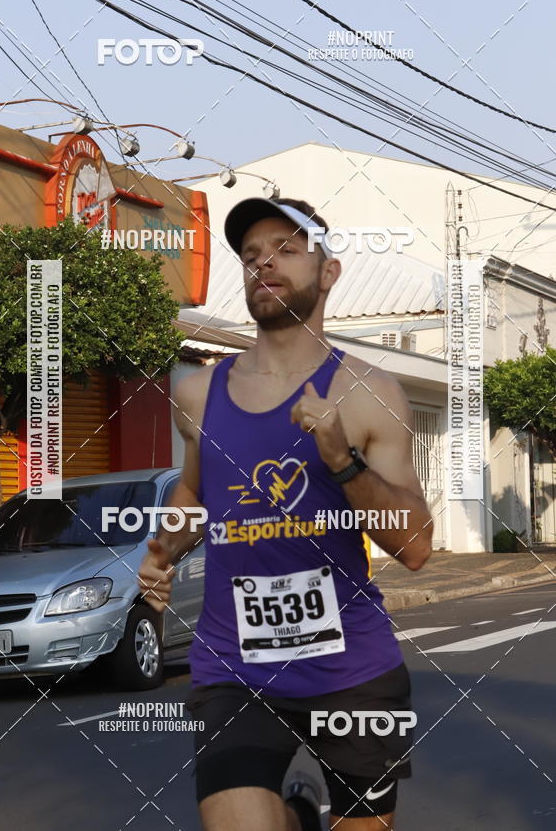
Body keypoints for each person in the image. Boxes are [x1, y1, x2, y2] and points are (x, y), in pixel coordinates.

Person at [138, 197, 433, 830]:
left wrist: (343, 461)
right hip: (234, 665)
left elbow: (414, 547)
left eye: (285, 250)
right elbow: (194, 490)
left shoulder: (371, 394)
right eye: (251, 255)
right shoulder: (197, 393)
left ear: (329, 272)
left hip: (352, 668)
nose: (263, 264)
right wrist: (162, 550)